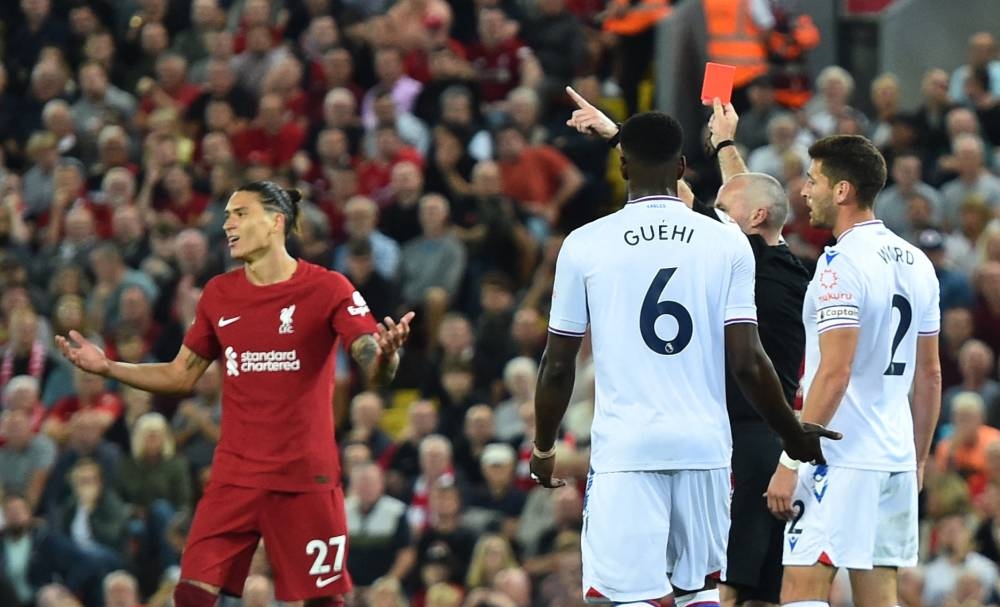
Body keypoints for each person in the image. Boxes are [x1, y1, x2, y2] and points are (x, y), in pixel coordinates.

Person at [529, 87, 838, 607]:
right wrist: (792, 434)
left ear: (623, 167)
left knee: (627, 597)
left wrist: (543, 448)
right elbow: (747, 359)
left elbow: (558, 366)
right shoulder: (725, 242)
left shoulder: (585, 243)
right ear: (683, 166)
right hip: (705, 450)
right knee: (698, 594)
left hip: (627, 449)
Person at [56, 181, 415, 607]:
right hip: (235, 474)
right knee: (191, 593)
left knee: (323, 601)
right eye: (226, 215)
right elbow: (181, 375)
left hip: (304, 476)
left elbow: (371, 362)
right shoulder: (219, 294)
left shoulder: (328, 288)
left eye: (240, 214)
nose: (227, 224)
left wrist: (388, 357)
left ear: (276, 222)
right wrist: (109, 367)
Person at [764, 135, 942, 607]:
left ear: (842, 191)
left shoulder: (840, 265)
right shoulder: (918, 263)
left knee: (802, 587)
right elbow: (930, 377)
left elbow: (835, 373)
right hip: (895, 457)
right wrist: (917, 459)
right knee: (879, 593)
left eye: (813, 179)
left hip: (842, 455)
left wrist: (790, 461)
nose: (804, 190)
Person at [708, 99, 811, 607]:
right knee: (764, 591)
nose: (714, 216)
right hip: (770, 440)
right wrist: (725, 142)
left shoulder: (744, 260)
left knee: (726, 584)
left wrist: (620, 136)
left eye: (723, 212)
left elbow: (675, 196)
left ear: (756, 218)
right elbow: (745, 196)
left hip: (744, 444)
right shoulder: (788, 265)